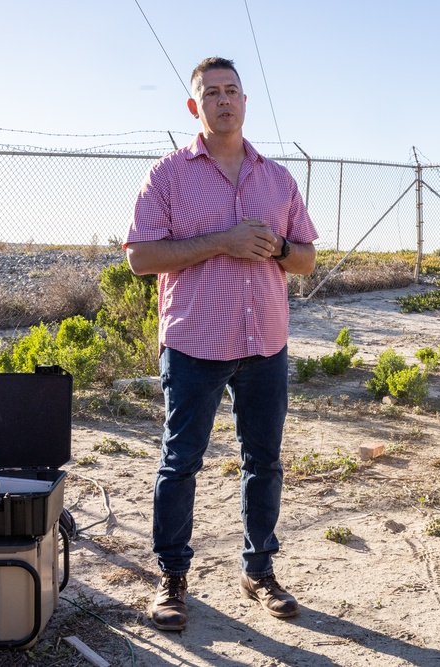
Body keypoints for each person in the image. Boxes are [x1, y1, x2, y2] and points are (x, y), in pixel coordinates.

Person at [125, 56, 318, 631]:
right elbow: (139, 256)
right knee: (180, 460)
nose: (223, 100)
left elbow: (306, 259)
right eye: (211, 93)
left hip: (265, 345)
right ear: (195, 106)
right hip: (194, 345)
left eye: (232, 90)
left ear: (244, 101)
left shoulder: (277, 178)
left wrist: (277, 247)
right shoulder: (168, 175)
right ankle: (171, 580)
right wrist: (222, 242)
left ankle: (259, 571)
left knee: (264, 461)